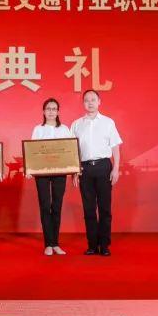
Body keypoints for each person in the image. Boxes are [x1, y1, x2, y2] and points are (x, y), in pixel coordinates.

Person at [70, 89, 123, 256]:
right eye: (87, 100)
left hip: (103, 167)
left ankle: (104, 245)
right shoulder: (76, 124)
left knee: (105, 208)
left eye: (93, 99)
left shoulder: (108, 122)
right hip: (84, 169)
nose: (90, 103)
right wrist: (74, 171)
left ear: (99, 102)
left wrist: (116, 168)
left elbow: (115, 147)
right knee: (89, 209)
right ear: (83, 103)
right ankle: (92, 245)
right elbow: (72, 150)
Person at [28, 97, 73, 256]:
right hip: (42, 172)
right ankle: (48, 244)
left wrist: (73, 169)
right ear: (43, 111)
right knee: (45, 205)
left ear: (58, 112)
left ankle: (55, 244)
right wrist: (30, 169)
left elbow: (70, 150)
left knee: (57, 206)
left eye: (54, 109)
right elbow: (32, 151)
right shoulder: (38, 129)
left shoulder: (65, 129)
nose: (51, 112)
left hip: (60, 172)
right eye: (48, 109)